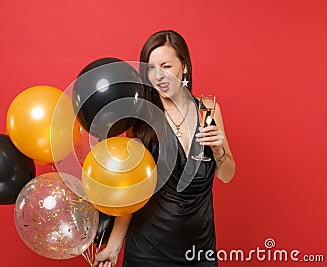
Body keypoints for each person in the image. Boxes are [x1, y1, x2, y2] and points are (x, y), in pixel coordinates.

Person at [93, 30, 235, 267]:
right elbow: (132, 189)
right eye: (150, 68)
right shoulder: (142, 118)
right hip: (149, 253)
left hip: (200, 251)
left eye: (166, 66)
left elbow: (227, 175)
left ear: (184, 67)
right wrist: (115, 246)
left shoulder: (208, 110)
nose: (158, 76)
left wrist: (219, 150)